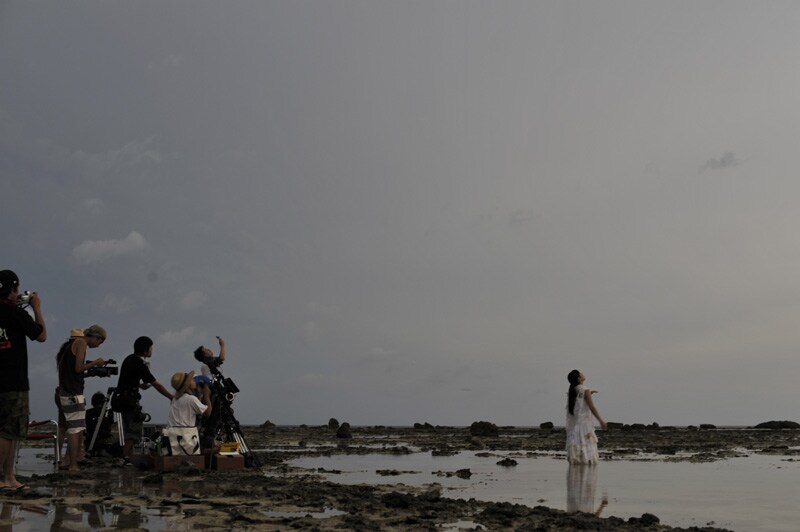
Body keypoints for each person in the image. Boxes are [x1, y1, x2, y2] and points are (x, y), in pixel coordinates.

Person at [0, 270, 46, 491]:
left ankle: (9, 477)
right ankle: (4, 477)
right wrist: (36, 307)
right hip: (13, 380)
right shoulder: (16, 314)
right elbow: (41, 335)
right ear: (12, 290)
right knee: (9, 432)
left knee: (8, 433)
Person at [55, 325, 108, 472]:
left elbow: (74, 371)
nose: (98, 345)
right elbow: (78, 368)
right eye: (100, 341)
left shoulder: (71, 345)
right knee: (75, 429)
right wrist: (95, 362)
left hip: (65, 390)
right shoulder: (81, 343)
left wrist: (91, 370)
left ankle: (67, 461)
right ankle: (73, 465)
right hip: (72, 393)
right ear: (95, 336)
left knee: (70, 427)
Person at [114, 336, 173, 463]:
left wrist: (146, 377)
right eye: (151, 348)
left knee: (129, 428)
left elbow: (143, 385)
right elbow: (156, 384)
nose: (152, 350)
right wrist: (170, 397)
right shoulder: (139, 363)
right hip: (130, 400)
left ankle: (128, 457)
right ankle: (126, 457)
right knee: (133, 429)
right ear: (146, 351)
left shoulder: (129, 359)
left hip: (122, 399)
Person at [565, 369, 607, 465]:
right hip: (585, 426)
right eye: (581, 373)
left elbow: (578, 403)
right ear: (579, 378)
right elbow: (592, 407)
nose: (583, 373)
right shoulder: (585, 390)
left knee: (576, 451)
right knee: (587, 453)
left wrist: (589, 394)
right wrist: (601, 420)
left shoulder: (573, 390)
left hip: (574, 426)